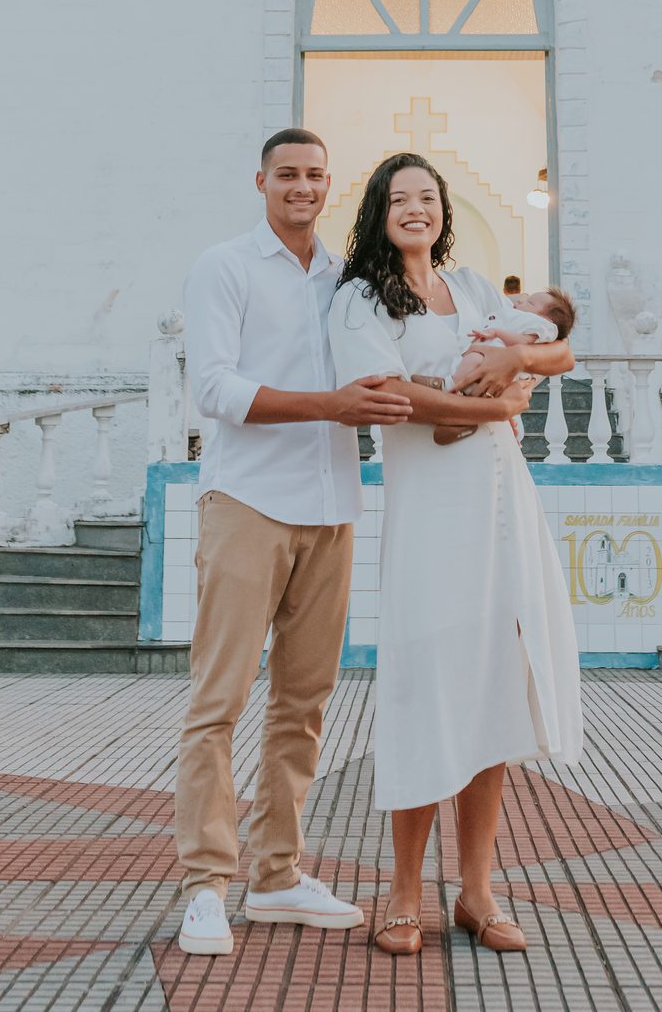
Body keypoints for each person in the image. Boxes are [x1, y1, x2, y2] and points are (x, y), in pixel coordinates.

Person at [327, 154, 584, 958]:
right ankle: (404, 890)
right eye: (399, 198)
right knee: (427, 688)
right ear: (377, 212)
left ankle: (477, 889)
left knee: (495, 688)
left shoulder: (473, 287)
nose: (416, 209)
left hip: (503, 506)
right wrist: (499, 403)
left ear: (444, 212)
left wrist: (515, 365)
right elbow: (388, 396)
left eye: (427, 198)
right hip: (432, 517)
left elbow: (562, 352)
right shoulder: (361, 299)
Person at [174, 128, 412, 957]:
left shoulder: (349, 279)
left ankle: (276, 876)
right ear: (261, 180)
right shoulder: (226, 266)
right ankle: (205, 884)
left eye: (314, 175)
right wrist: (329, 406)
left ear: (328, 183)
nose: (302, 186)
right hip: (247, 502)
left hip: (332, 505)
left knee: (304, 704)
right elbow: (214, 387)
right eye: (287, 175)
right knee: (219, 701)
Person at [435, 285, 577, 446]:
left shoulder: (538, 326)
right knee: (472, 366)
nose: (521, 300)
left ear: (545, 321)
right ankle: (459, 422)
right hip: (490, 372)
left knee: (473, 361)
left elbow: (564, 355)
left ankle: (446, 388)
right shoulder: (515, 315)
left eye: (529, 303)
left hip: (496, 373)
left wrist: (500, 337)